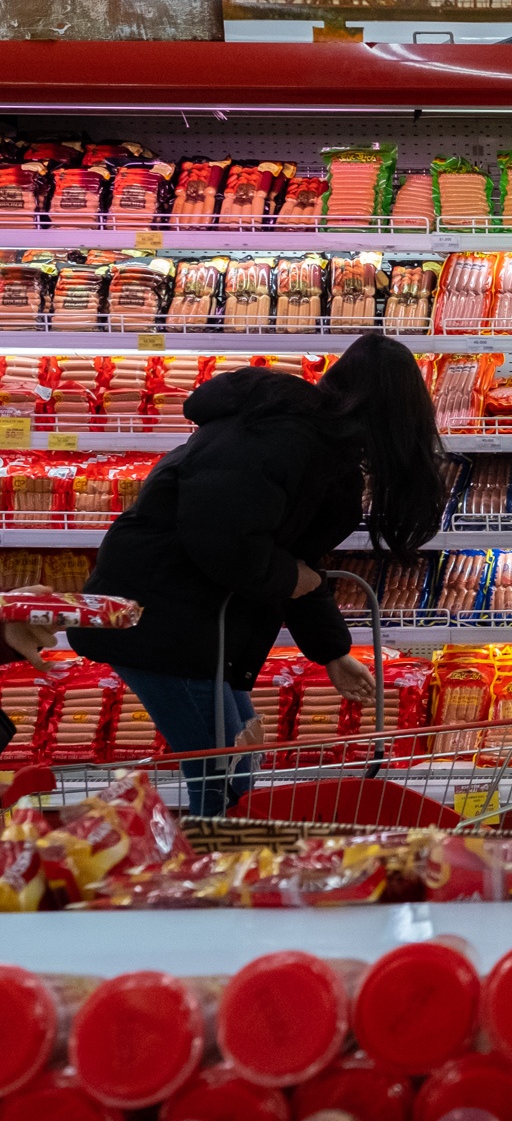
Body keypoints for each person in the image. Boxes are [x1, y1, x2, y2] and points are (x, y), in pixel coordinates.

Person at [73, 336, 445, 815]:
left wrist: (332, 652)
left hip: (194, 620)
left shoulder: (311, 441)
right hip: (161, 619)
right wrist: (288, 575)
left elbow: (289, 555)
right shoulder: (283, 437)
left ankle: (222, 867)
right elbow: (222, 534)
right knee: (226, 775)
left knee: (237, 763)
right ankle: (216, 877)